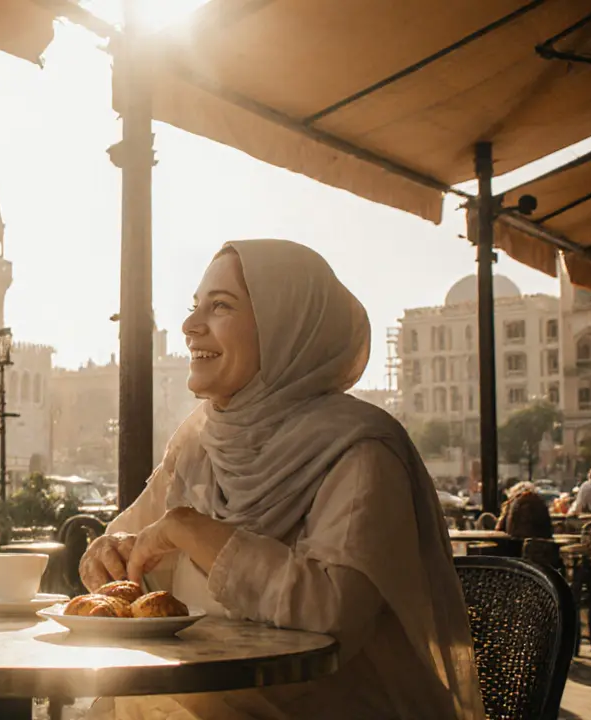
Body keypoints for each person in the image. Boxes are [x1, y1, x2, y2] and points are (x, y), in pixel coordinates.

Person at [79, 240, 484, 719]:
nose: (189, 326)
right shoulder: (198, 442)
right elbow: (128, 547)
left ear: (285, 328)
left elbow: (333, 613)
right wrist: (107, 556)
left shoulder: (361, 450)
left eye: (221, 306)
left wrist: (188, 529)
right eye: (194, 308)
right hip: (202, 695)